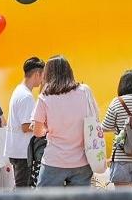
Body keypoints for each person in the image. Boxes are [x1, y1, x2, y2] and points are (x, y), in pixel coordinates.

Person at [31, 56, 99, 187]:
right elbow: (95, 118)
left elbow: (37, 132)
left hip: (54, 161)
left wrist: (46, 128)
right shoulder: (85, 91)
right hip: (82, 161)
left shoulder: (45, 97)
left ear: (49, 73)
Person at [6, 56, 45, 188]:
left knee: (20, 186)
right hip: (23, 151)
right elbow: (26, 126)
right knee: (23, 189)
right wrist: (45, 127)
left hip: (16, 149)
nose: (43, 80)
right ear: (37, 74)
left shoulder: (19, 91)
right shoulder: (26, 97)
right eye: (42, 75)